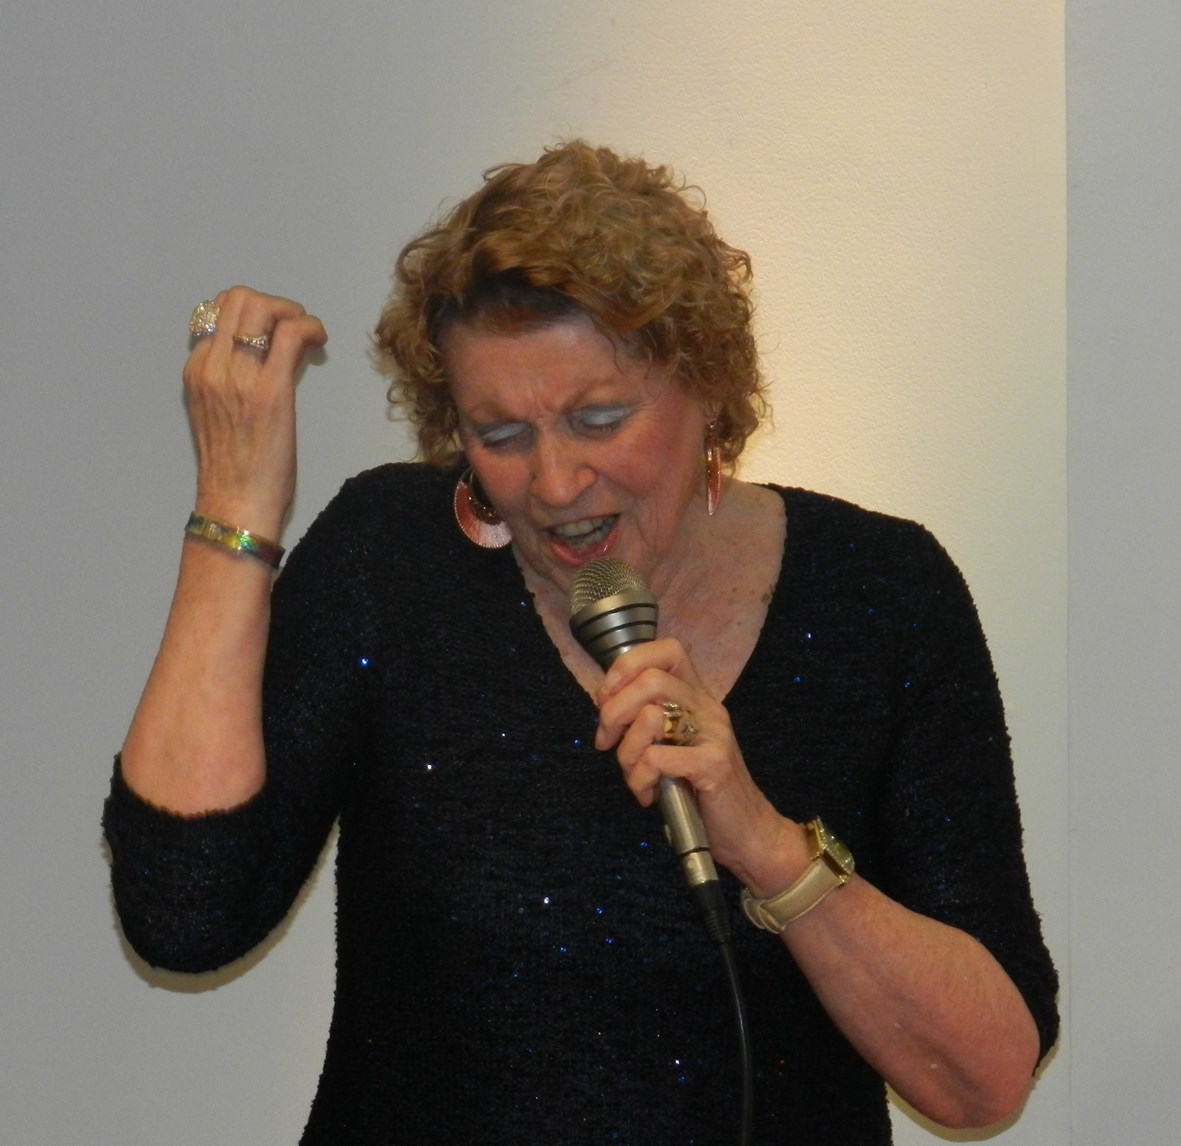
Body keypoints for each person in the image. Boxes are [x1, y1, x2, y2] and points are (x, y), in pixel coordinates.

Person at [104, 140, 1058, 1144]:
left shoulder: (881, 593)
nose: (555, 484)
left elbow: (983, 1083)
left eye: (599, 419)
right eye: (501, 435)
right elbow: (185, 912)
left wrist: (766, 846)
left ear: (708, 384)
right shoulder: (390, 562)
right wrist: (235, 511)